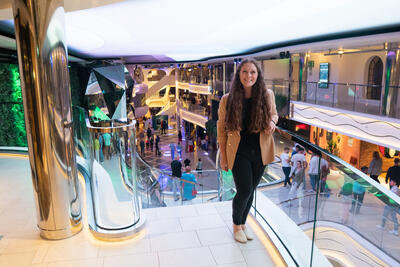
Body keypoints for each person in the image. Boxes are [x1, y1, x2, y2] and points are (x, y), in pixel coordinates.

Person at [217, 59, 278, 243]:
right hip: (238, 151)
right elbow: (221, 130)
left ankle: (243, 224)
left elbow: (274, 114)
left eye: (252, 72)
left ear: (258, 75)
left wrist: (272, 122)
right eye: (244, 71)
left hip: (260, 151)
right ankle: (236, 226)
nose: (248, 75)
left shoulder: (267, 95)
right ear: (239, 75)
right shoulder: (227, 99)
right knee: (244, 190)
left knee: (251, 190)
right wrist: (223, 158)